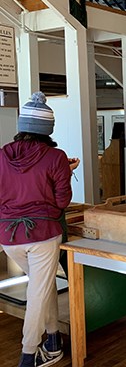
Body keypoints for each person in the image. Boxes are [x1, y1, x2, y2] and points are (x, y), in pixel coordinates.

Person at [0, 92, 77, 367]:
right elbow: (62, 201)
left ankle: (54, 340)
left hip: (8, 238)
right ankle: (28, 356)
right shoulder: (56, 157)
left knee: (43, 287)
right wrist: (64, 173)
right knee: (38, 292)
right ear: (49, 129)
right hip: (43, 235)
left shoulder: (1, 156)